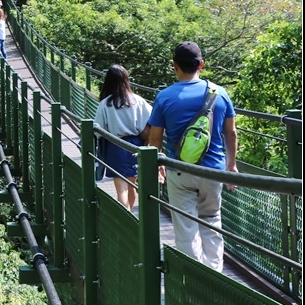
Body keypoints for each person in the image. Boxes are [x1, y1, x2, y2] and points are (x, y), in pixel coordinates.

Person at [148, 41, 238, 272]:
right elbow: (231, 132)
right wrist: (231, 166)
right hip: (213, 171)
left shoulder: (165, 96)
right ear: (202, 65)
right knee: (211, 220)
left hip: (179, 169)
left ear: (175, 66)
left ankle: (193, 276)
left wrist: (157, 164)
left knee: (186, 224)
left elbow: (155, 137)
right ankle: (215, 275)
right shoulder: (220, 93)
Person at [93, 64, 152, 211]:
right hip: (135, 146)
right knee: (132, 187)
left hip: (115, 147)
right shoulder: (138, 100)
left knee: (121, 190)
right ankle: (130, 217)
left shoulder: (105, 104)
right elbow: (151, 121)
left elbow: (97, 129)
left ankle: (125, 221)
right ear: (126, 80)